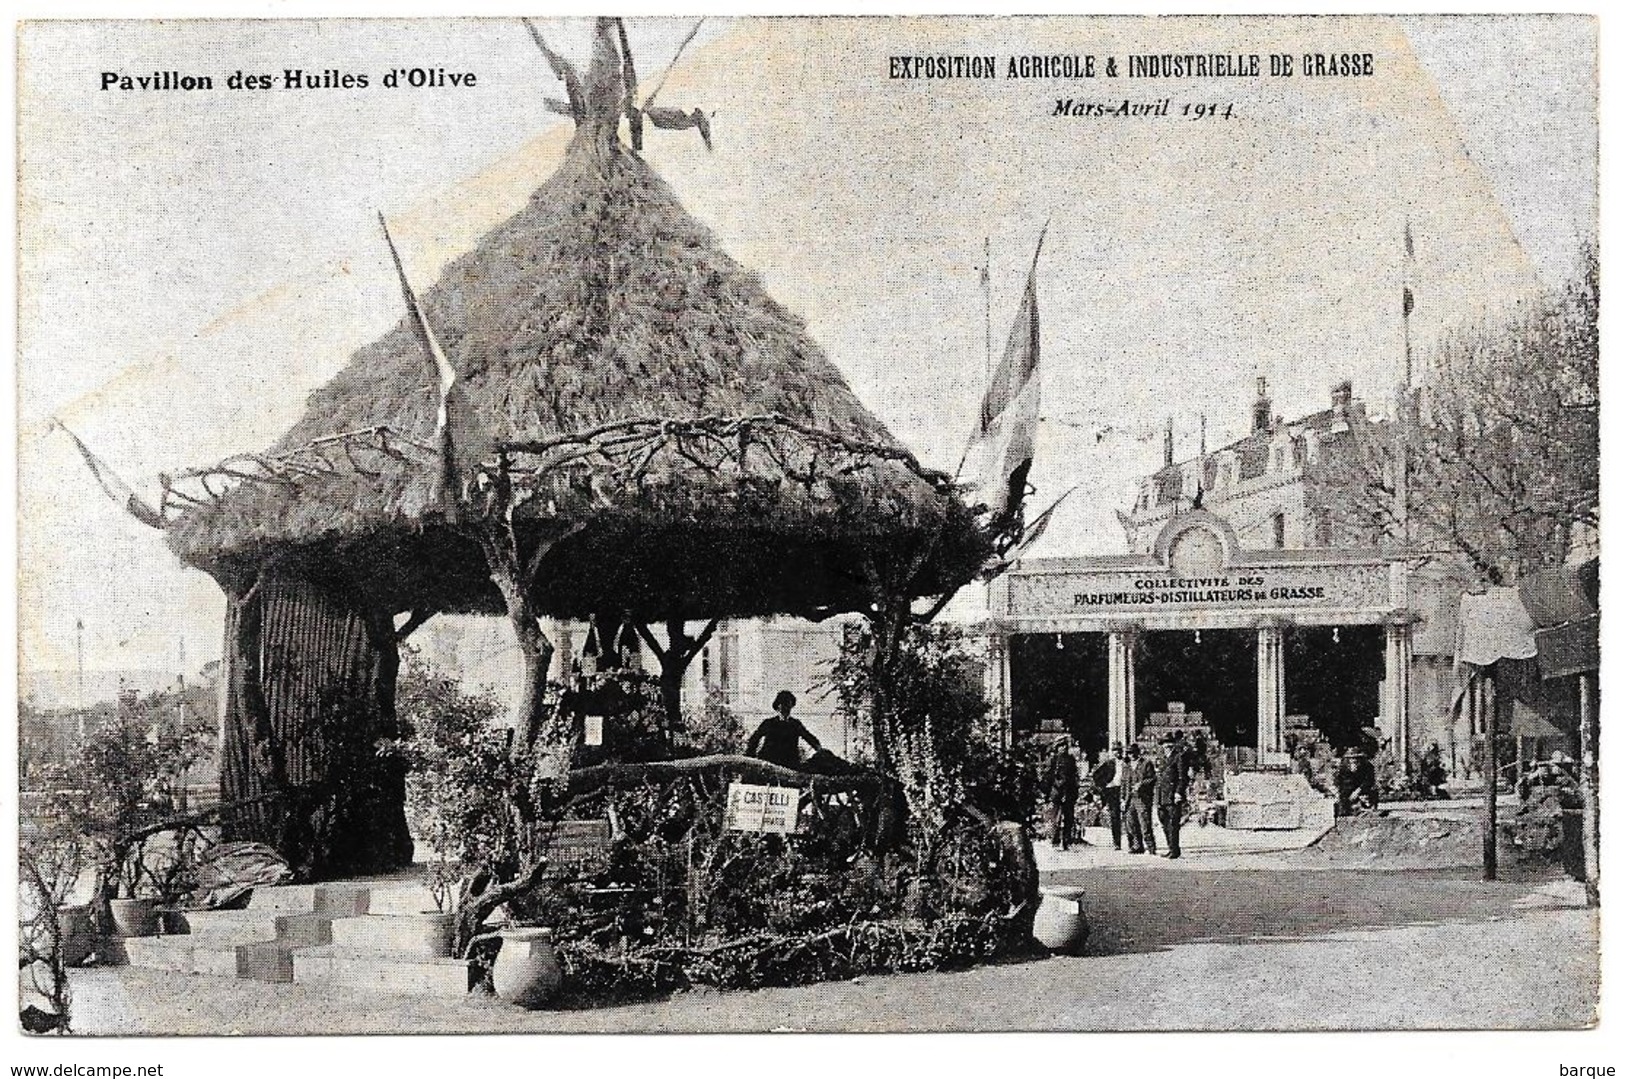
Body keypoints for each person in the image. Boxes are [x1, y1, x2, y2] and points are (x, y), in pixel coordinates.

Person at [745, 690, 821, 771]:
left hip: (789, 765)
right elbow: (753, 740)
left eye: (788, 705)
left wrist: (820, 750)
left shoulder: (795, 724)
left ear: (791, 706)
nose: (786, 709)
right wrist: (751, 760)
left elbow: (810, 738)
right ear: (777, 707)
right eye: (783, 705)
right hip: (769, 764)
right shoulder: (769, 723)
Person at [1155, 731, 1191, 858]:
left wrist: (1178, 792)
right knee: (1164, 822)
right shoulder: (1161, 758)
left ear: (1174, 745)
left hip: (1173, 796)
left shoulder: (1179, 757)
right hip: (1161, 796)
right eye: (1165, 744)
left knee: (1173, 824)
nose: (1167, 746)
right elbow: (1159, 778)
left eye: (1170, 743)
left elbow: (1183, 777)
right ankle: (1170, 848)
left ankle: (1175, 850)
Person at [1042, 737, 1081, 849]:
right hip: (1056, 792)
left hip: (1069, 791)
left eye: (1065, 746)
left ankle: (1066, 840)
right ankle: (1054, 839)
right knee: (1055, 817)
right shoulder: (1053, 760)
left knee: (1068, 817)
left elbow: (1074, 776)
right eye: (1061, 746)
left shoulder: (1071, 759)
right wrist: (1048, 792)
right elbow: (1048, 777)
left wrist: (1074, 790)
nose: (1063, 748)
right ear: (1057, 748)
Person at [1123, 743, 1158, 855]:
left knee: (1145, 823)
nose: (1131, 755)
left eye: (1133, 752)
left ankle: (1151, 847)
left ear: (1138, 752)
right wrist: (1122, 799)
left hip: (1142, 798)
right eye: (1129, 753)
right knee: (1131, 823)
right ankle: (1137, 846)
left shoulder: (1146, 763)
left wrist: (1142, 784)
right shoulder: (1127, 766)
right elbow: (1124, 784)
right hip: (1130, 798)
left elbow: (1152, 778)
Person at [1091, 741, 1125, 850]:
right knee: (1115, 817)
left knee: (1129, 817)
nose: (1117, 753)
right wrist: (1103, 786)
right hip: (1112, 791)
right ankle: (1117, 842)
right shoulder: (1109, 763)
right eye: (1115, 751)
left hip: (1125, 791)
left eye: (1119, 750)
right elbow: (1096, 775)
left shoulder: (1127, 762)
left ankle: (1133, 842)